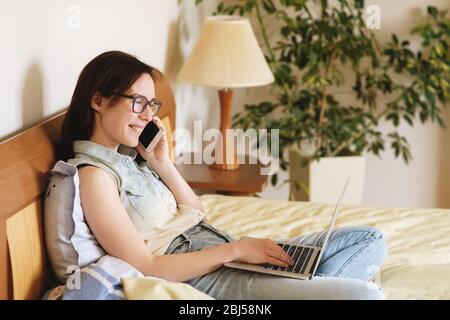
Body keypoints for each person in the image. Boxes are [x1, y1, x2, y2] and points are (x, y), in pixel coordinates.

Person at [51, 50, 387, 300]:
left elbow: (198, 213)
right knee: (365, 296)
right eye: (138, 102)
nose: (146, 116)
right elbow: (148, 265)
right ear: (97, 100)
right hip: (201, 273)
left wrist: (163, 164)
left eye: (152, 105)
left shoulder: (132, 158)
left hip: (219, 246)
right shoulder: (94, 176)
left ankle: (307, 288)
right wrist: (236, 251)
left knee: (369, 241)